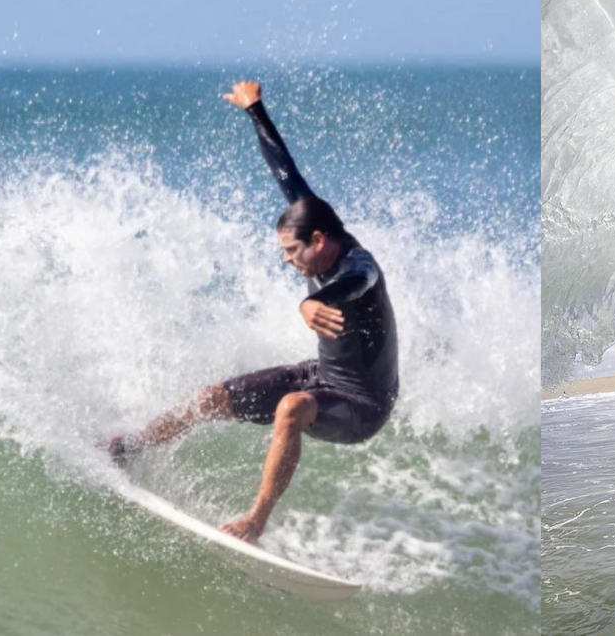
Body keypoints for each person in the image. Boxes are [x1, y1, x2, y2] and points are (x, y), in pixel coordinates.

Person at [108, 80, 399, 544]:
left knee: (291, 408)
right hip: (321, 375)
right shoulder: (315, 222)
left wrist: (313, 301)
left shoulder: (359, 266)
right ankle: (128, 448)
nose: (286, 259)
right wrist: (255, 111)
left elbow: (356, 283)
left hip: (362, 406)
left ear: (319, 241)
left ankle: (255, 521)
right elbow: (287, 173)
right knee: (208, 399)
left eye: (291, 251)